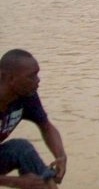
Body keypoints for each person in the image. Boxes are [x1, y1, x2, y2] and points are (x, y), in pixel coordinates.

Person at [0, 49, 67, 189]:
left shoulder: (26, 96)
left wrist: (60, 156)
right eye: (32, 76)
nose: (38, 80)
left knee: (21, 149)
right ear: (10, 78)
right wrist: (16, 181)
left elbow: (46, 127)